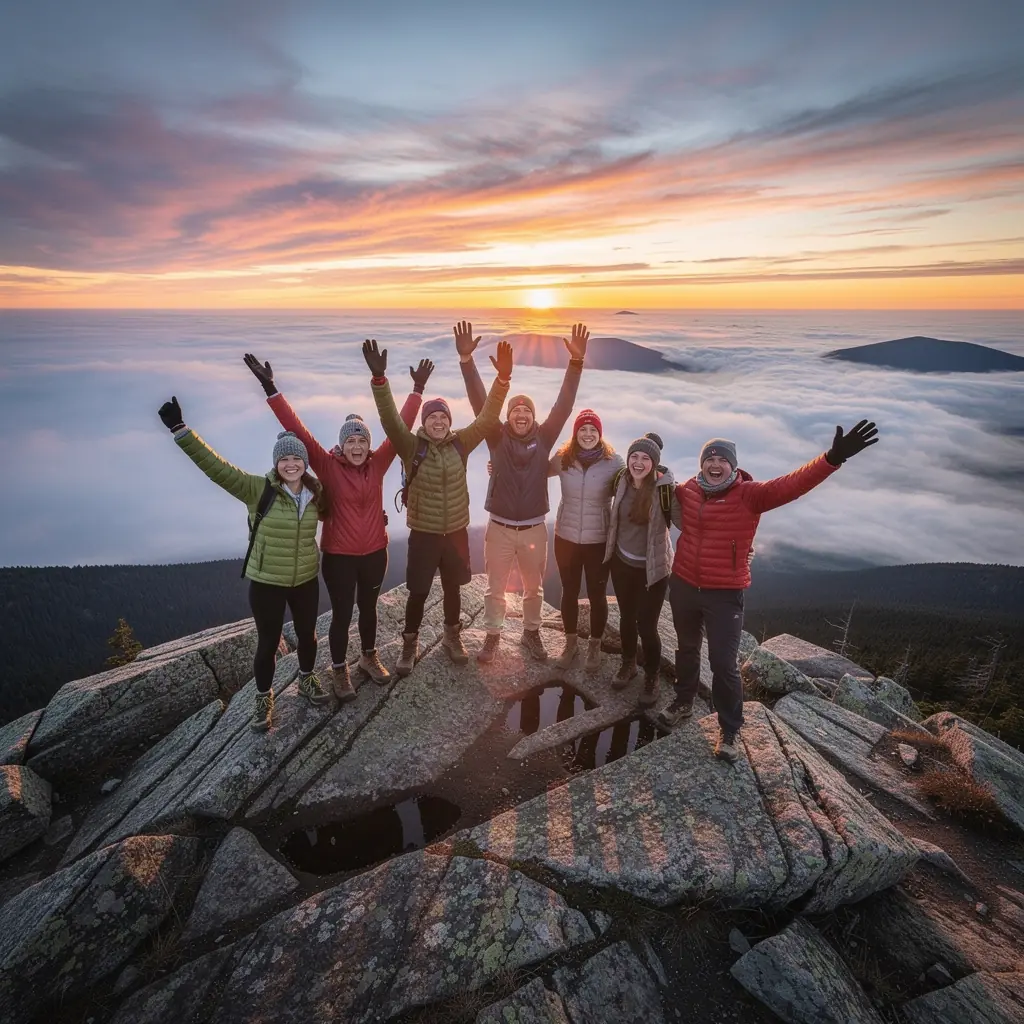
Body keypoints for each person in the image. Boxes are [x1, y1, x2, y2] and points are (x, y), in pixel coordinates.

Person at [658, 422, 880, 764]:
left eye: (722, 461)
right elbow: (652, 491)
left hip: (724, 594)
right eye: (709, 460)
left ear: (733, 466)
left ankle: (730, 728)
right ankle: (682, 701)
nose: (715, 465)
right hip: (684, 585)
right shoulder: (688, 490)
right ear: (701, 463)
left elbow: (792, 484)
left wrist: (832, 458)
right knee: (686, 649)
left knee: (723, 663)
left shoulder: (751, 495)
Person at [243, 352, 433, 700]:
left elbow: (400, 425)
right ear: (341, 445)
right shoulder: (327, 466)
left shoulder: (378, 464)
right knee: (343, 613)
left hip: (375, 552)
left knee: (370, 609)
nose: (357, 446)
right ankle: (339, 669)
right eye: (351, 441)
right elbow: (296, 428)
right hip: (339, 557)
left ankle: (369, 658)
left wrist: (416, 388)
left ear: (369, 444)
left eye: (362, 440)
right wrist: (270, 388)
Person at [157, 396, 330, 732]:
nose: (291, 464)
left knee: (308, 636)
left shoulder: (317, 493)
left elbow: (348, 505)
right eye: (286, 459)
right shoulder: (257, 489)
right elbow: (217, 469)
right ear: (276, 463)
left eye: (297, 458)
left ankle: (307, 680)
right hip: (266, 581)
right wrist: (181, 431)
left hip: (306, 579)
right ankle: (263, 698)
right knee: (268, 643)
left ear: (305, 463)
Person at [366, 337, 512, 673]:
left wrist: (502, 381)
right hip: (424, 533)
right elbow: (390, 420)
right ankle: (410, 643)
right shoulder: (410, 445)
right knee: (417, 592)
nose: (439, 422)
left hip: (456, 532)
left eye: (443, 417)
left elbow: (488, 417)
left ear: (449, 420)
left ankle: (451, 636)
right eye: (433, 418)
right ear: (425, 422)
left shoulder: (460, 442)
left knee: (452, 589)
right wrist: (380, 382)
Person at [455, 320, 589, 664]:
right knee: (494, 588)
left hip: (533, 529)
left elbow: (564, 405)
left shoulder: (544, 438)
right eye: (515, 409)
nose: (521, 414)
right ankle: (493, 636)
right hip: (498, 528)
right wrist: (467, 362)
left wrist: (575, 364)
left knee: (534, 588)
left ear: (533, 417)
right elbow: (480, 404)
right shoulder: (495, 437)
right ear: (508, 415)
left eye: (527, 410)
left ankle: (531, 634)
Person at [603, 433, 679, 708]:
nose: (638, 462)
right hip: (622, 563)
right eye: (634, 456)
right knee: (625, 618)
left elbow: (686, 520)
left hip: (653, 570)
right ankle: (628, 664)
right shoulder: (620, 481)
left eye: (645, 458)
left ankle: (651, 676)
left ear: (654, 463)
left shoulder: (663, 490)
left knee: (646, 626)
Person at [547, 408, 624, 670]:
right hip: (565, 536)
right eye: (583, 429)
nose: (588, 434)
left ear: (600, 434)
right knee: (569, 590)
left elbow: (637, 484)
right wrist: (498, 465)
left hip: (598, 539)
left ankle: (594, 647)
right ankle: (570, 646)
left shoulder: (614, 462)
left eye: (593, 430)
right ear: (575, 433)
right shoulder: (562, 458)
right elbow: (533, 470)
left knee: (596, 593)